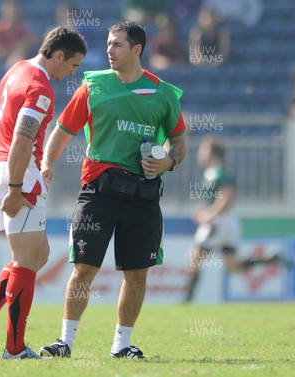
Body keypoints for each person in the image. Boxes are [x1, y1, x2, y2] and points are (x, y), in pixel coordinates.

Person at [38, 21, 187, 359]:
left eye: (117, 44)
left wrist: (169, 164)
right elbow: (61, 132)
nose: (109, 50)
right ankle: (65, 342)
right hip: (98, 192)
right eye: (108, 43)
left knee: (137, 274)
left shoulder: (163, 93)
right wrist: (48, 164)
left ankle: (121, 345)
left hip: (143, 196)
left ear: (137, 50)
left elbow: (179, 143)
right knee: (84, 268)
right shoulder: (93, 87)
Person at [0, 26, 87, 360]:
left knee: (37, 255)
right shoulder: (41, 87)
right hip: (16, 172)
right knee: (26, 263)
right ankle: (14, 349)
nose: (70, 74)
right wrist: (17, 188)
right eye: (71, 66)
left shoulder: (15, 69)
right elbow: (22, 139)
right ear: (58, 55)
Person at [183, 136, 286, 302]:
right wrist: (204, 209)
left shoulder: (219, 172)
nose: (200, 154)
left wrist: (209, 214)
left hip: (218, 224)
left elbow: (226, 198)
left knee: (193, 259)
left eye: (204, 151)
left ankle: (187, 300)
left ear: (214, 154)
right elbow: (216, 199)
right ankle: (269, 259)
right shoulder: (211, 173)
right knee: (233, 267)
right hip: (227, 224)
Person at [0, 0, 38, 68]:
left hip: (20, 67)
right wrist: (15, 50)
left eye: (15, 13)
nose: (13, 16)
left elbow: (32, 42)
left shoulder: (24, 30)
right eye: (10, 13)